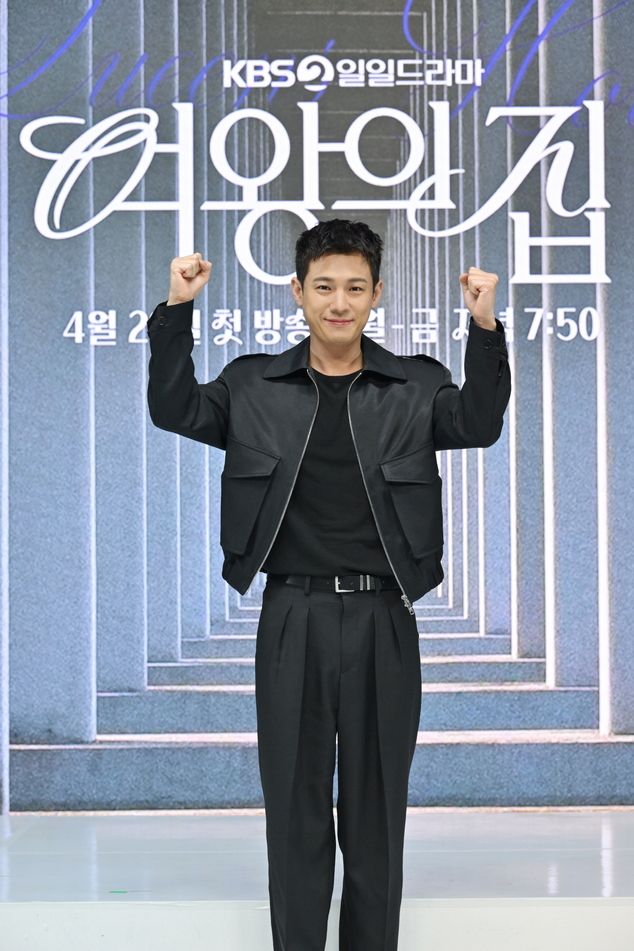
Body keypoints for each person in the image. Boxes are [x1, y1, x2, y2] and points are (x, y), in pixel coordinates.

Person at [146, 218, 511, 950]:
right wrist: (178, 310)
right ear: (298, 292)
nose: (338, 303)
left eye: (354, 287)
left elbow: (478, 422)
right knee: (294, 809)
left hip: (384, 619)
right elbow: (173, 407)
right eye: (323, 287)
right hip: (293, 614)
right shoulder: (253, 385)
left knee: (376, 814)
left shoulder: (416, 384)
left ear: (377, 294)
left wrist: (483, 326)